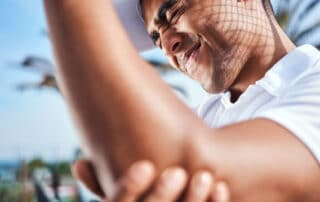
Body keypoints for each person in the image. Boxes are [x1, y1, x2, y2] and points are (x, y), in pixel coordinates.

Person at [44, 0, 320, 201]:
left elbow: (179, 171)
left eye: (175, 12)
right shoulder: (202, 119)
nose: (167, 47)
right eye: (156, 39)